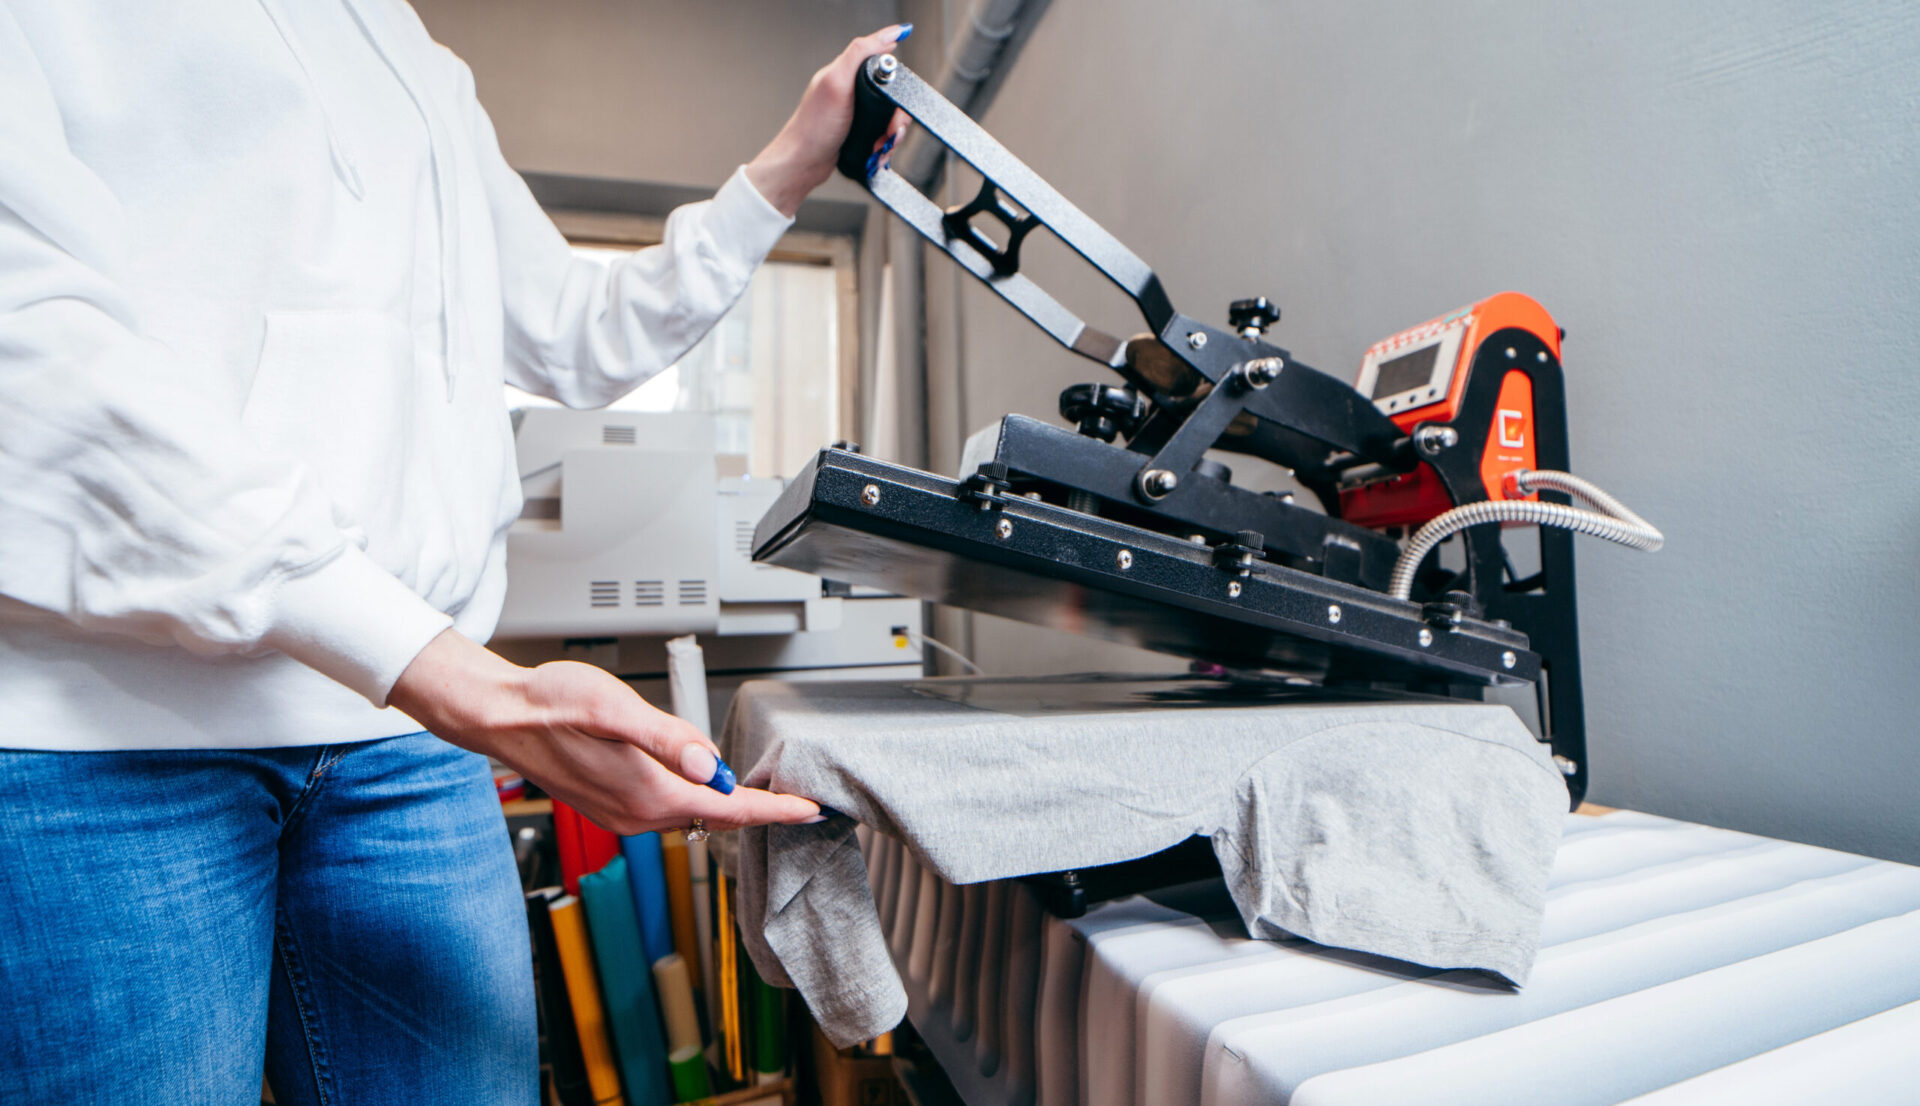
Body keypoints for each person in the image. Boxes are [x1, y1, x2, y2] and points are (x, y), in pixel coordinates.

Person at [0, 3, 908, 1102]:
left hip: (401, 741)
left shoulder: (414, 56)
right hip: (102, 739)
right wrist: (461, 676)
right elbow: (34, 352)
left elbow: (582, 329)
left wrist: (790, 164)